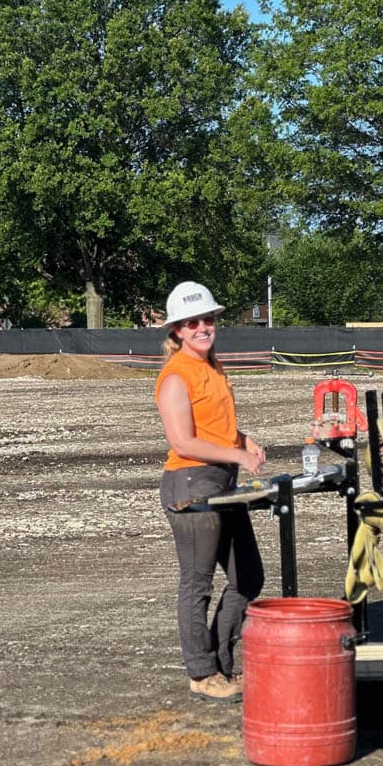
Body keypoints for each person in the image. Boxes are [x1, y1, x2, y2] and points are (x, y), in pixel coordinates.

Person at [155, 281, 266, 703]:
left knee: (248, 577)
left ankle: (220, 663)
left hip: (220, 480)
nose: (203, 327)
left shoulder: (212, 367)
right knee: (197, 583)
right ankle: (201, 673)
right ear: (178, 330)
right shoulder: (175, 376)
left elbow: (214, 426)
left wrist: (243, 440)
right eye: (193, 322)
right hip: (190, 484)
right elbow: (183, 442)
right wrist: (237, 456)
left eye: (207, 319)